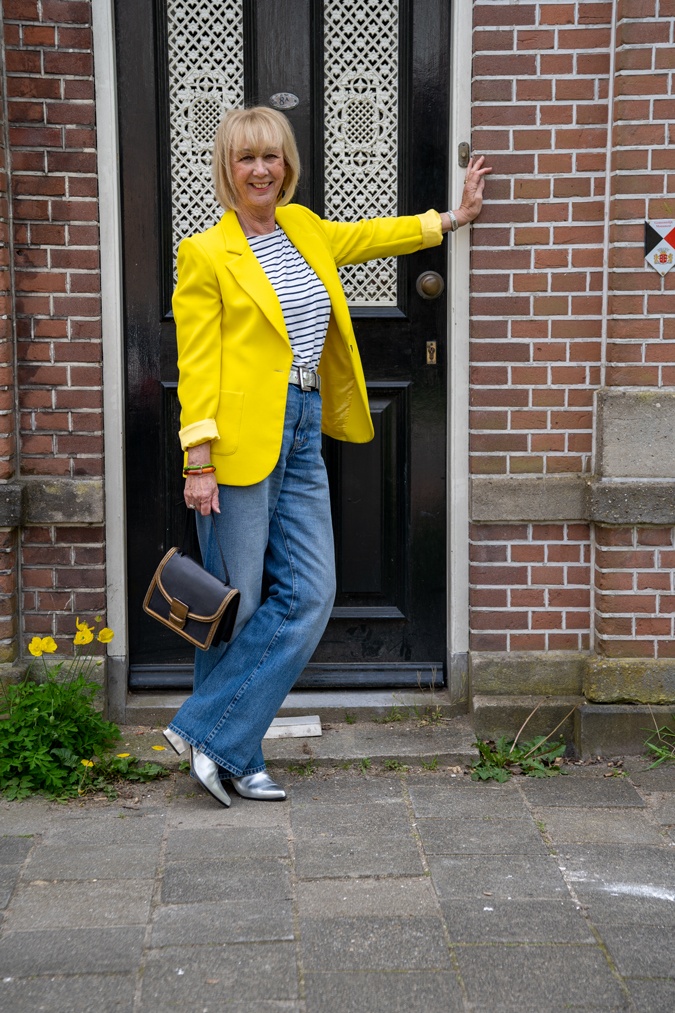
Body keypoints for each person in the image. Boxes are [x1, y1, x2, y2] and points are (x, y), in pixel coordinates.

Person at [163, 106, 490, 806]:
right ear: (228, 168)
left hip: (306, 424)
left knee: (311, 593)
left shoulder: (305, 228)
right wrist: (199, 458)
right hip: (240, 439)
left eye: (273, 157)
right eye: (248, 158)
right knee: (237, 605)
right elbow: (196, 365)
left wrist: (449, 218)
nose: (261, 170)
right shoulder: (204, 254)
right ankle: (237, 755)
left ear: (288, 166)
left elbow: (373, 236)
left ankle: (203, 729)